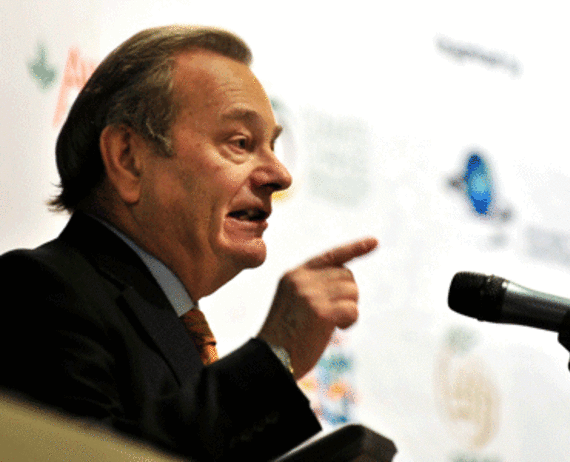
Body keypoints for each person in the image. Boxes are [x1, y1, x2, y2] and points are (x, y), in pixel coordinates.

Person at [0, 25, 378, 461]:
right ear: (128, 159)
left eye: (272, 147)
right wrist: (276, 356)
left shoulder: (171, 325)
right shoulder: (38, 290)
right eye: (240, 143)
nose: (280, 175)